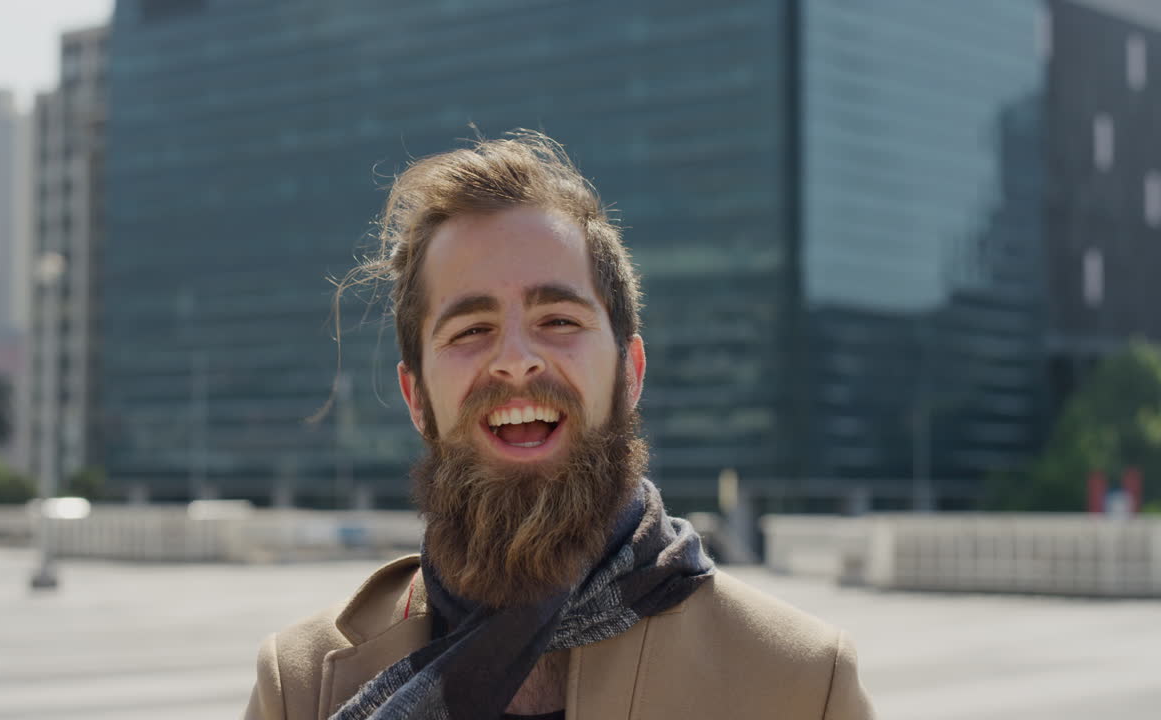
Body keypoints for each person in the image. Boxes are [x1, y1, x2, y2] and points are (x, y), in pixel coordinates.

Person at [244, 131, 876, 720]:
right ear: (416, 398)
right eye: (471, 330)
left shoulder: (800, 681)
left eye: (560, 321)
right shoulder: (298, 684)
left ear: (629, 373)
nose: (517, 359)